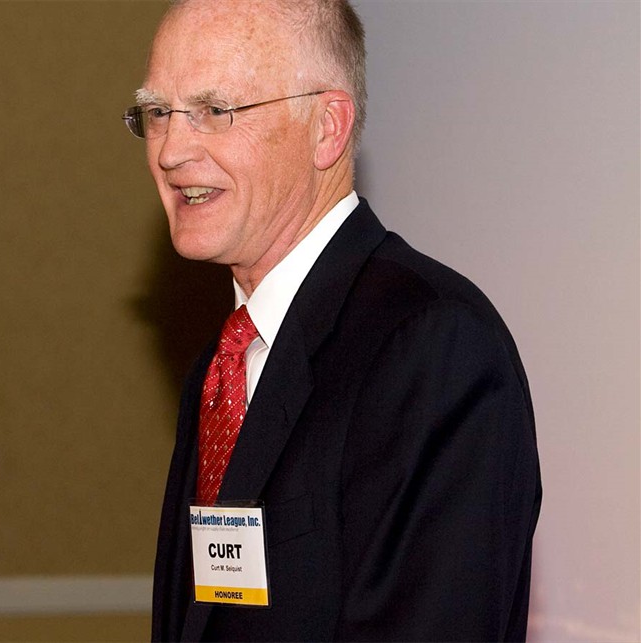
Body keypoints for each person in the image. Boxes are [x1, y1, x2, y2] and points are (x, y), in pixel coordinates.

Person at [122, 1, 542, 640]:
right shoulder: (225, 362)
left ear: (327, 127)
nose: (173, 150)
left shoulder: (433, 348)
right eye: (158, 114)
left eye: (215, 110)